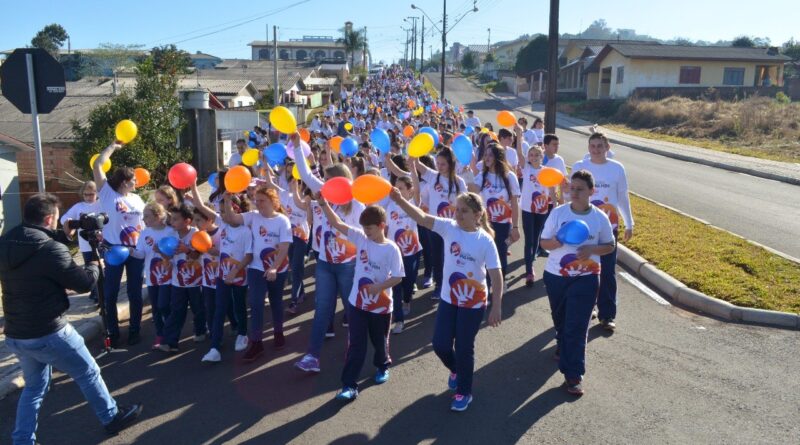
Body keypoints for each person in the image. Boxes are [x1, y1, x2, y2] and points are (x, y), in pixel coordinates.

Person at [0, 193, 142, 444]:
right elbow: (84, 283)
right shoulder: (50, 249)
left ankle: (22, 440)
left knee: (34, 388)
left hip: (17, 333)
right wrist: (96, 263)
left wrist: (62, 236)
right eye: (55, 220)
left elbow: (34, 250)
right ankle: (111, 417)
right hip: (49, 331)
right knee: (88, 371)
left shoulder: (7, 240)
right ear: (48, 218)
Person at [389, 189, 503, 412]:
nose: (458, 214)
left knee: (463, 347)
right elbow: (421, 218)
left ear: (478, 214)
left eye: (464, 211)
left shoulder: (485, 241)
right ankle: (456, 369)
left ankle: (464, 392)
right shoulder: (449, 227)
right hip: (449, 299)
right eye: (457, 210)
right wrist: (400, 200)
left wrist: (496, 306)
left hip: (473, 303)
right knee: (440, 344)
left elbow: (496, 276)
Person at [292, 136, 365, 374]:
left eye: (330, 180)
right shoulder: (322, 192)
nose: (325, 184)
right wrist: (295, 145)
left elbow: (356, 233)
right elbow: (304, 173)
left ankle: (355, 350)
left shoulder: (356, 205)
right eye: (325, 180)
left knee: (351, 309)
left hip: (347, 265)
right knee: (322, 309)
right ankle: (312, 356)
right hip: (324, 263)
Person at [318, 201, 404, 402]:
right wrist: (323, 204)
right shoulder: (360, 237)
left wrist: (379, 287)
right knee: (356, 344)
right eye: (364, 228)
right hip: (357, 304)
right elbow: (337, 222)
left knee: (379, 342)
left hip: (381, 306)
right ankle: (348, 384)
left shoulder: (392, 249)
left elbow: (399, 277)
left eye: (370, 229)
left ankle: (382, 365)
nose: (366, 233)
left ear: (382, 225)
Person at [539, 170, 615, 396]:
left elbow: (609, 246)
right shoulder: (558, 213)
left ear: (592, 191)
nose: (575, 192)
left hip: (587, 277)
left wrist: (592, 249)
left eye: (580, 189)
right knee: (561, 320)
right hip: (556, 276)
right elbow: (544, 243)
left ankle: (573, 375)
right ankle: (561, 342)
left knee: (577, 325)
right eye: (572, 188)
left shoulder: (599, 217)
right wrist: (558, 240)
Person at [571, 132, 633, 331]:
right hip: (583, 228)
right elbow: (571, 195)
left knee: (607, 271)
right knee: (585, 270)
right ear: (588, 147)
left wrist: (629, 223)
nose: (596, 150)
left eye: (599, 146)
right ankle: (588, 308)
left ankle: (607, 315)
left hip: (608, 229)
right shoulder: (581, 167)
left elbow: (622, 197)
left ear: (607, 147)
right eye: (592, 146)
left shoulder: (616, 169)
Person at [93, 142, 145, 347]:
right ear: (124, 181)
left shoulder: (137, 199)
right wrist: (112, 147)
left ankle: (135, 330)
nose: (137, 182)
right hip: (113, 250)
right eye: (134, 179)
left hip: (134, 251)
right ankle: (112, 332)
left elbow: (144, 223)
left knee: (134, 293)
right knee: (111, 293)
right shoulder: (107, 193)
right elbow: (98, 164)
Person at [469, 142, 521, 283]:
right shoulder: (481, 176)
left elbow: (515, 204)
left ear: (499, 157)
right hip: (485, 224)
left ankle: (500, 284)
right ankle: (485, 285)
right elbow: (473, 193)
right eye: (485, 155)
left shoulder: (510, 177)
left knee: (500, 255)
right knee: (484, 255)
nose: (487, 158)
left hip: (504, 225)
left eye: (490, 155)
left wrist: (515, 227)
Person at [158, 204, 207, 352]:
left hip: (196, 281)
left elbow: (197, 254)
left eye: (175, 219)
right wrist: (163, 255)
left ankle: (200, 330)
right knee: (177, 310)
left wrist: (187, 250)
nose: (172, 222)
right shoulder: (171, 236)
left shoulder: (196, 234)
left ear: (187, 221)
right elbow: (168, 256)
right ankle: (170, 341)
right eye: (171, 219)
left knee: (198, 309)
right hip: (177, 281)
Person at [134, 202, 176, 350]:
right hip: (151, 277)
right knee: (156, 308)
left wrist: (162, 253)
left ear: (158, 217)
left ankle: (171, 330)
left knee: (163, 304)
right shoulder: (145, 233)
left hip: (168, 275)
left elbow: (174, 254)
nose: (144, 219)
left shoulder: (171, 232)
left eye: (147, 216)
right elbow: (141, 254)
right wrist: (131, 252)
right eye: (143, 216)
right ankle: (160, 335)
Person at [60, 180, 100, 302]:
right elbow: (64, 219)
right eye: (86, 194)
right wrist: (70, 221)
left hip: (102, 242)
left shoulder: (101, 204)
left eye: (91, 194)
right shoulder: (79, 206)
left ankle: (102, 293)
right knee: (90, 269)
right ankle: (94, 293)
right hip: (86, 244)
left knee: (103, 269)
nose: (88, 197)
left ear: (97, 193)